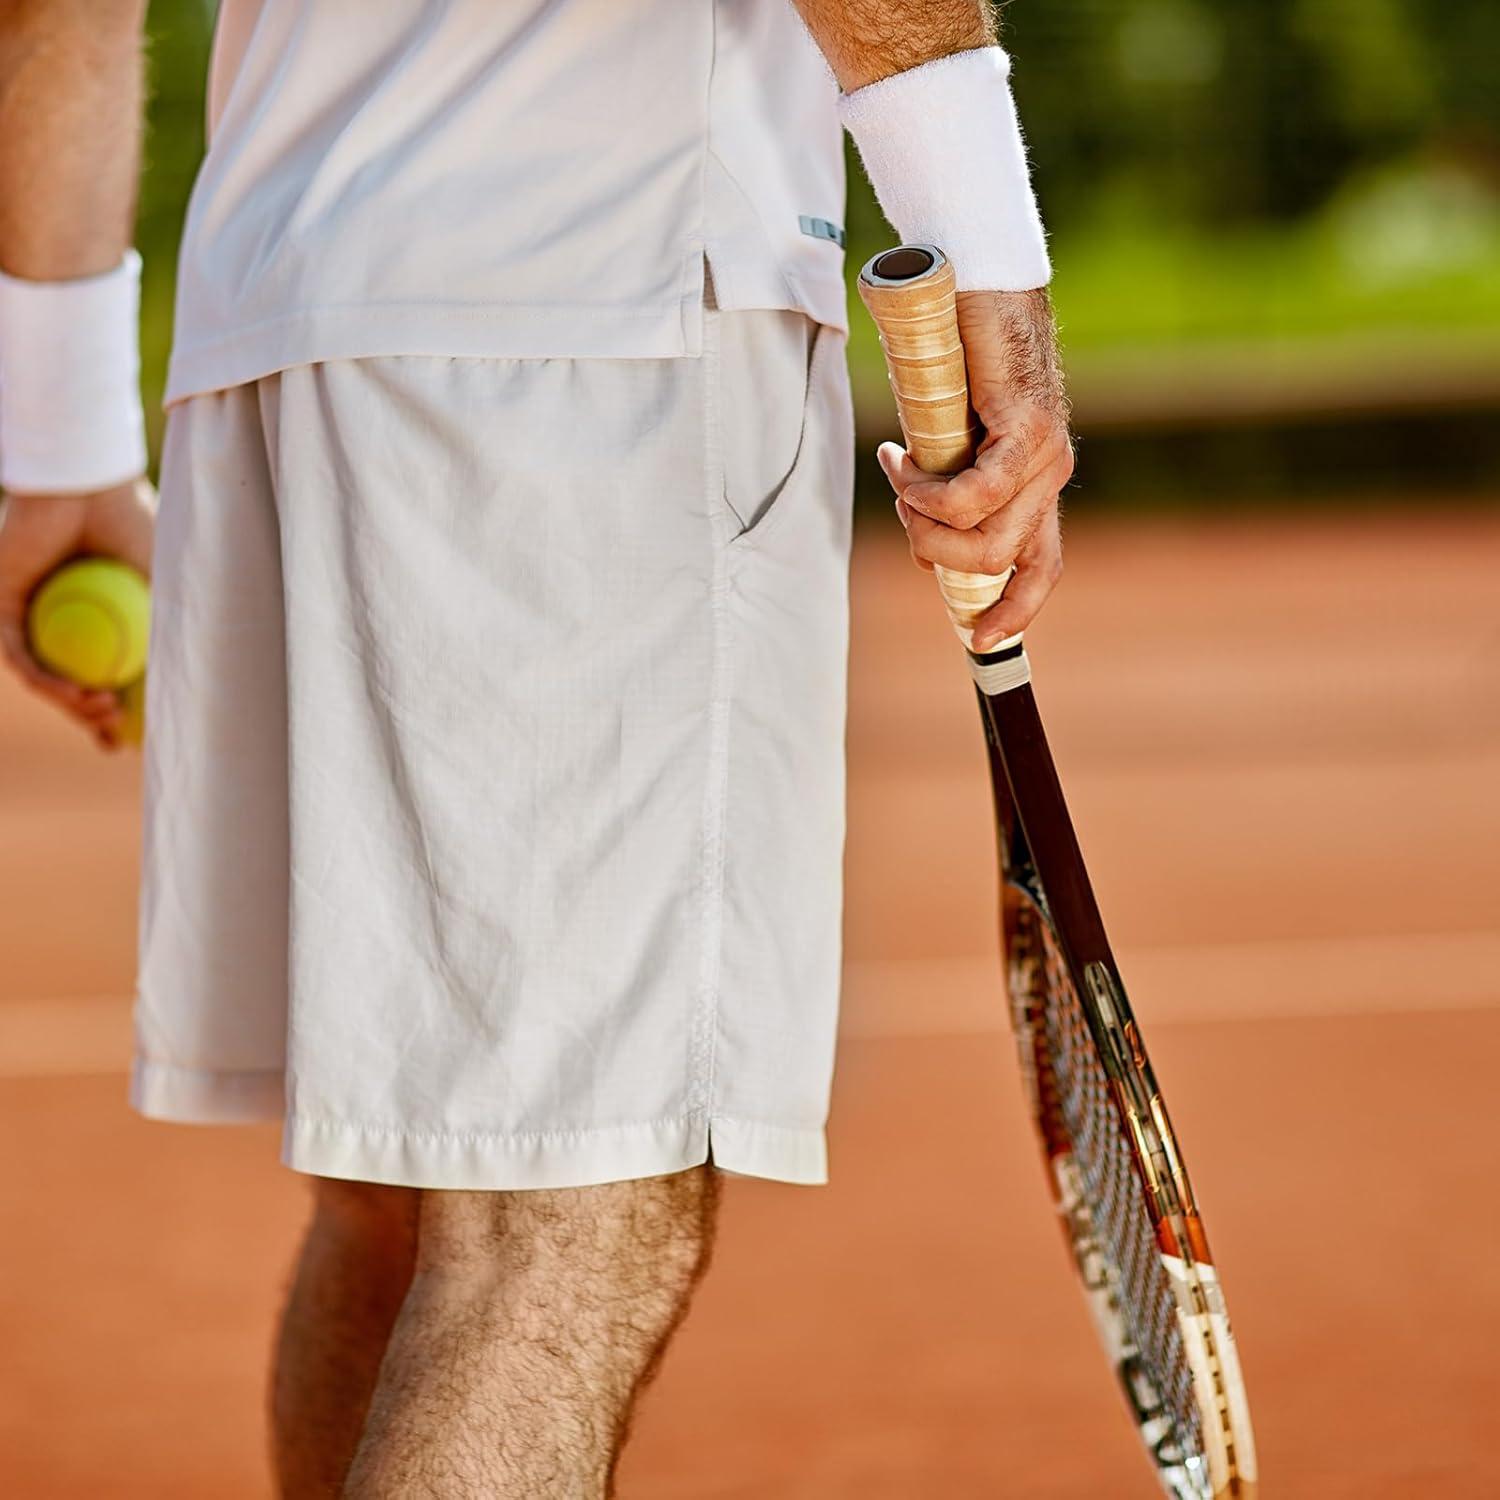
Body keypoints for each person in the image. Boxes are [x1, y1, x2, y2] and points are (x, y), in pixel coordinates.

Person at [0, 1, 1072, 1493]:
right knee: (557, 1236)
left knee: (399, 1204)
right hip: (600, 315)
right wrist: (992, 274)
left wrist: (52, 433)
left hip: (274, 314)